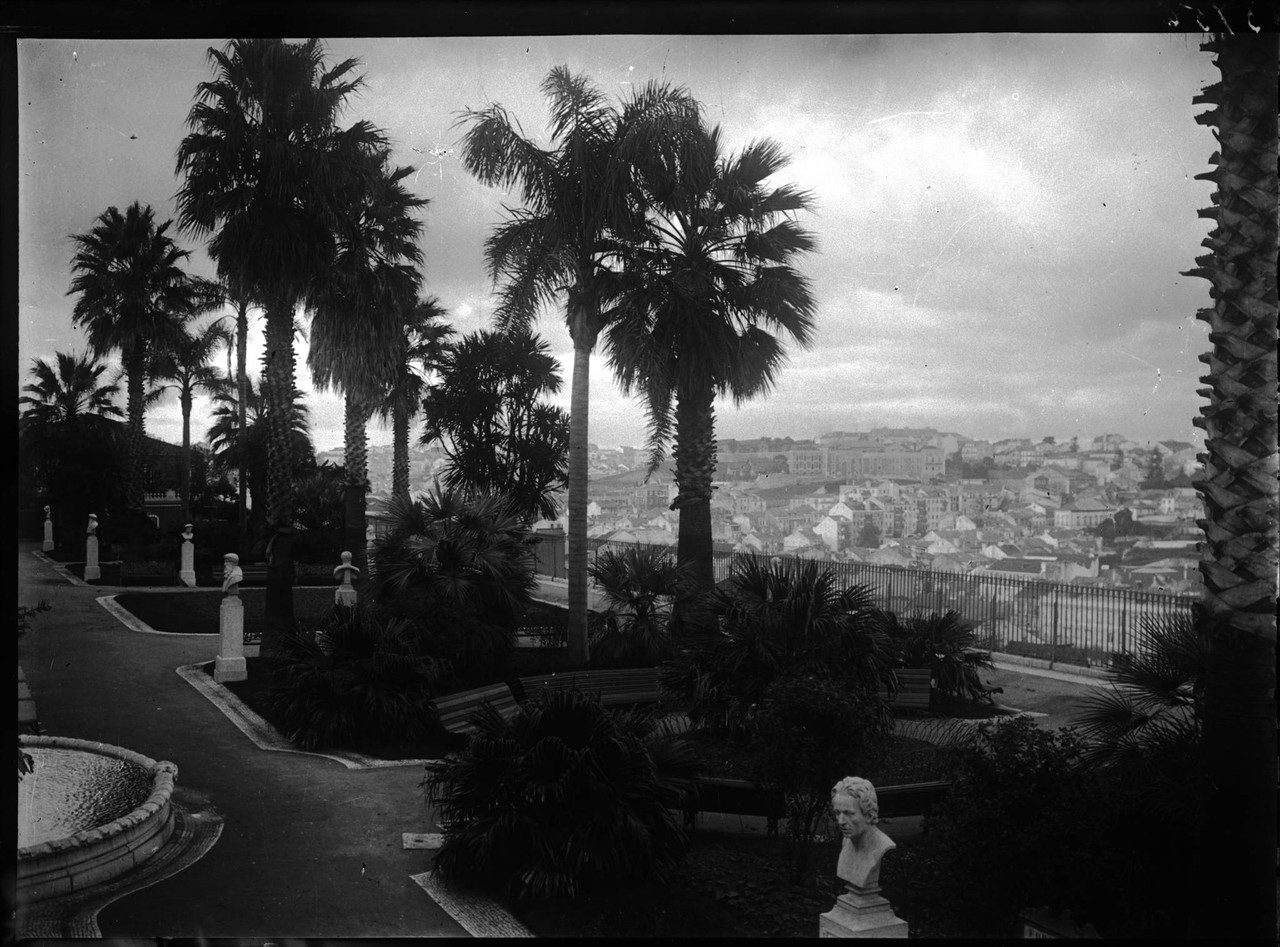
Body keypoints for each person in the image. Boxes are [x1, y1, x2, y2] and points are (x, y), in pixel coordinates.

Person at [831, 776, 896, 889]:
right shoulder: (846, 841)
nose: (841, 821)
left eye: (849, 813)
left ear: (869, 815)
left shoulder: (882, 845)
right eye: (837, 813)